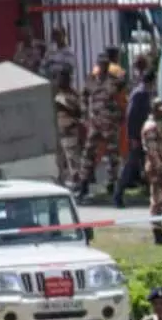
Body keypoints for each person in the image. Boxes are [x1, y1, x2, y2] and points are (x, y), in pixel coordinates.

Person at [76, 53, 128, 202]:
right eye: (101, 64)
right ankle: (83, 186)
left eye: (106, 64)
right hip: (95, 123)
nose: (103, 67)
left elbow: (124, 84)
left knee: (113, 157)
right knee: (88, 154)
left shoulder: (114, 81)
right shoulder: (91, 80)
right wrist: (85, 113)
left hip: (110, 124)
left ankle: (114, 189)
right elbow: (84, 96)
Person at [115, 70, 155, 210]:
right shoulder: (140, 93)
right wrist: (133, 137)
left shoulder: (142, 92)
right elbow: (131, 116)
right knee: (131, 166)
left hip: (143, 135)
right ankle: (118, 194)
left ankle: (155, 198)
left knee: (149, 166)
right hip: (137, 136)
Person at [140, 97, 162, 245]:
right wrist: (159, 170)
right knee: (157, 201)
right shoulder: (150, 128)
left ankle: (160, 231)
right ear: (154, 110)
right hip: (156, 168)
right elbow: (152, 152)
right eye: (161, 110)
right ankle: (157, 234)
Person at [53, 69, 83, 188]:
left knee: (73, 160)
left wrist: (64, 107)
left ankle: (77, 184)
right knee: (59, 161)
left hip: (70, 131)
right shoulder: (56, 93)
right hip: (58, 131)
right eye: (59, 78)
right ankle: (60, 183)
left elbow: (79, 112)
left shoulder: (73, 95)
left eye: (63, 79)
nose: (60, 81)